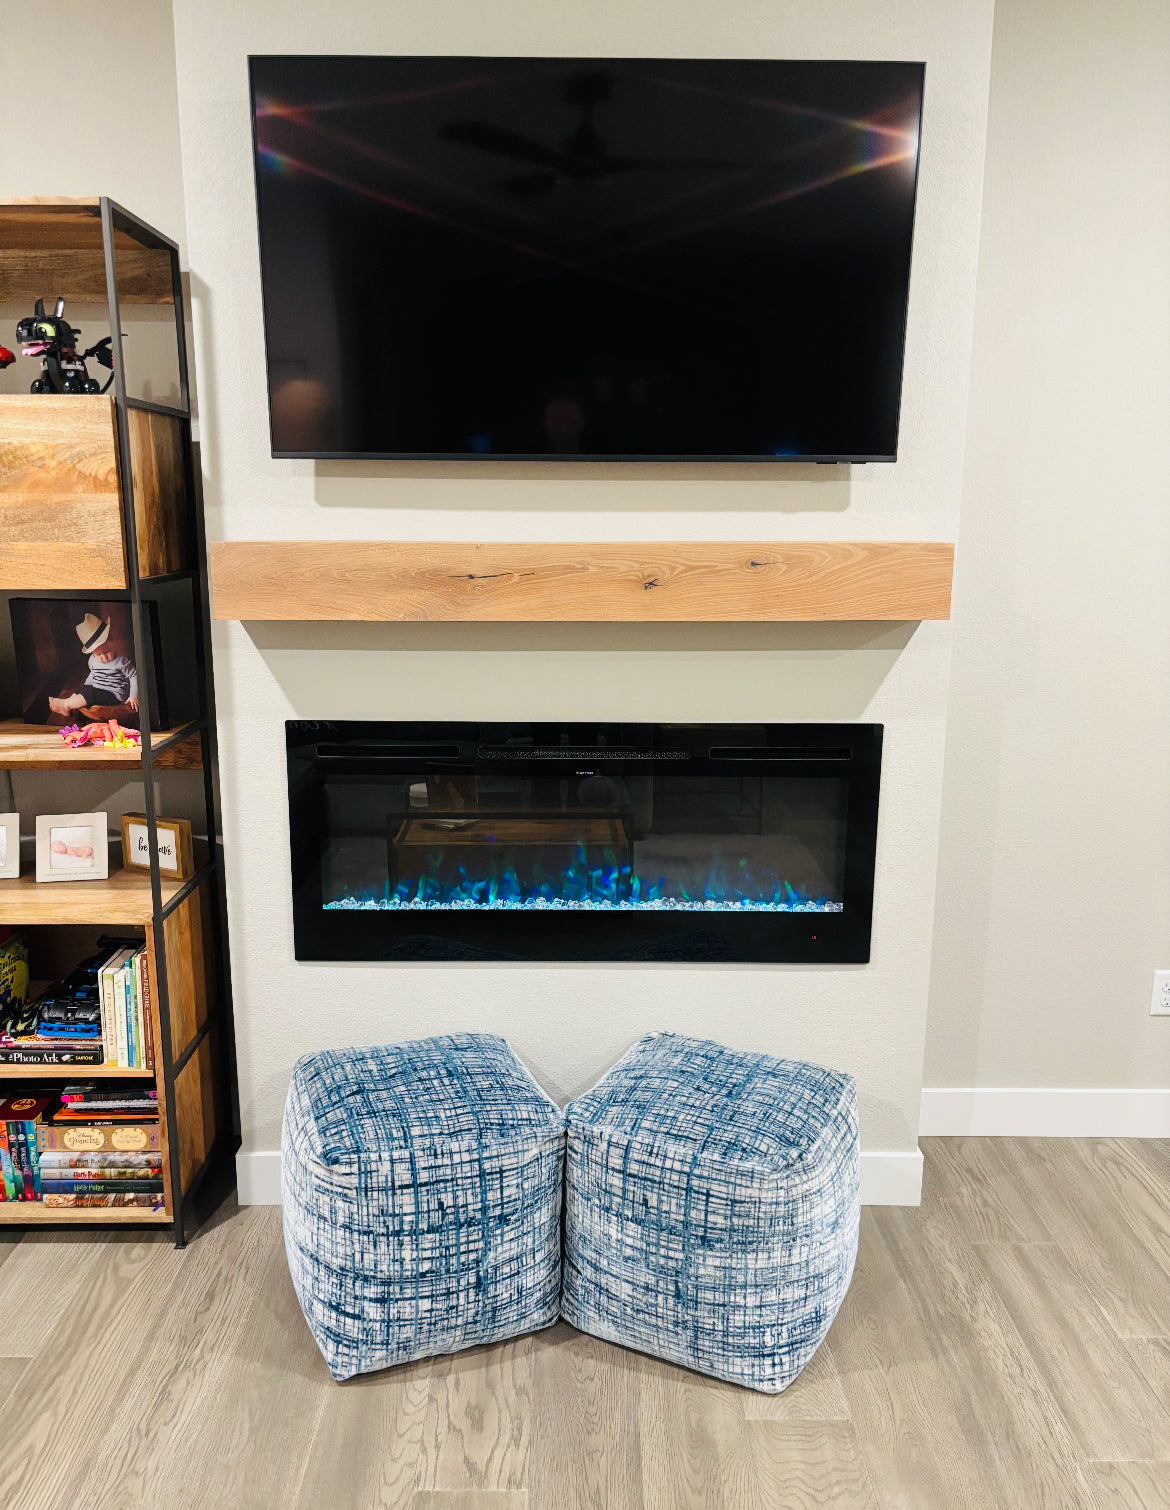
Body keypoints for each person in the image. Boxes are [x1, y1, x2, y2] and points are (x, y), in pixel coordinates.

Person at [48, 612, 139, 718]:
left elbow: (134, 677)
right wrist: (86, 686)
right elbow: (93, 674)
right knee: (82, 690)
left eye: (107, 651)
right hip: (97, 690)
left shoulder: (122, 662)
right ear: (92, 653)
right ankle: (69, 707)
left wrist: (133, 696)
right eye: (99, 654)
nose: (104, 657)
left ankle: (65, 704)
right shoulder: (92, 660)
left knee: (90, 694)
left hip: (113, 695)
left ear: (112, 641)